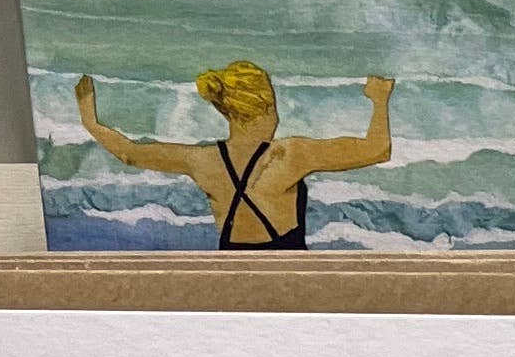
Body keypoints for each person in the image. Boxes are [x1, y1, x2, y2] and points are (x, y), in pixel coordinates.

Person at [74, 59, 395, 248]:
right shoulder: (289, 155)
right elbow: (377, 150)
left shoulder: (202, 161)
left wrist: (90, 121)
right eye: (274, 105)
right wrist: (379, 100)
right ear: (265, 108)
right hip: (285, 280)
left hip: (232, 280)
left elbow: (130, 153)